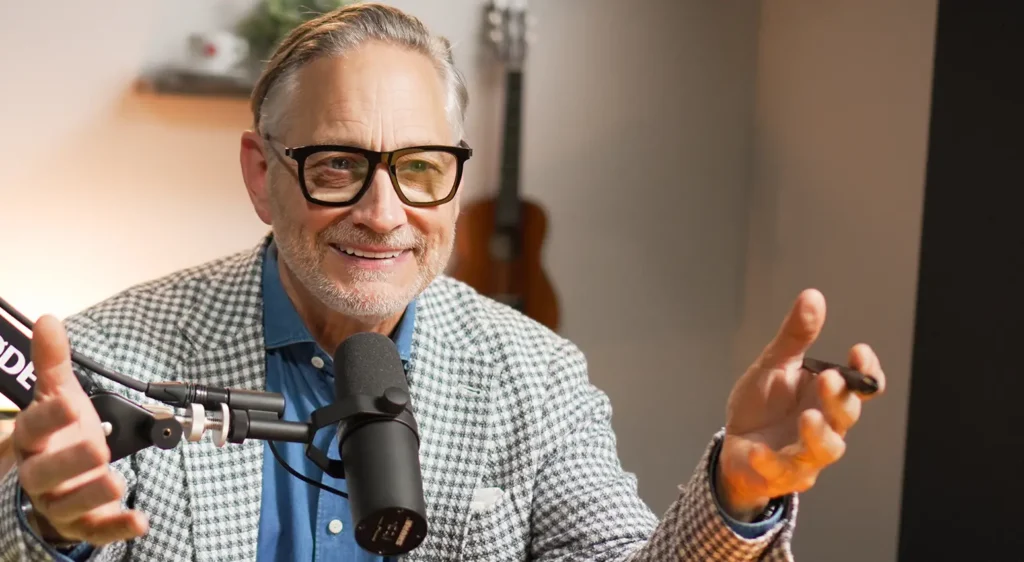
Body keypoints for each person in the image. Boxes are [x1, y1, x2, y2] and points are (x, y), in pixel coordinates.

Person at [0, 3, 886, 561]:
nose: (385, 215)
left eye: (421, 168)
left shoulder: (535, 376)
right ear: (261, 175)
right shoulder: (108, 359)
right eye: (338, 164)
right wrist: (48, 532)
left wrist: (738, 494)